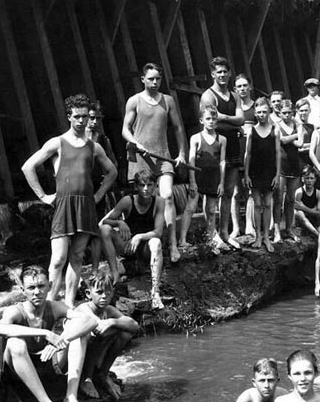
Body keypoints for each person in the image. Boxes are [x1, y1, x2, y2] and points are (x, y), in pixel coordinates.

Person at [22, 94, 117, 306]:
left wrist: (99, 195)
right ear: (69, 117)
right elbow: (28, 167)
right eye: (77, 116)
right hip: (64, 204)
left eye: (85, 116)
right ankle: (50, 303)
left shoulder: (94, 147)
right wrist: (43, 196)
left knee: (77, 256)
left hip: (85, 206)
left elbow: (111, 172)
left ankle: (69, 304)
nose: (82, 121)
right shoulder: (57, 143)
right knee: (57, 260)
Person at [0, 265, 98, 402]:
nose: (37, 292)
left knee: (80, 334)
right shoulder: (15, 310)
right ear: (22, 290)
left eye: (41, 286)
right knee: (15, 343)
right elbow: (0, 329)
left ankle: (70, 398)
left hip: (46, 367)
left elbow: (90, 321)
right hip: (19, 373)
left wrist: (61, 339)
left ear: (50, 286)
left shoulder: (54, 307)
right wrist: (45, 333)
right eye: (31, 288)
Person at [122, 63, 188, 264]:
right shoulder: (134, 101)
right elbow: (125, 129)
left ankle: (173, 245)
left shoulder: (167, 101)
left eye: (158, 79)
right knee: (143, 201)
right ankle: (135, 248)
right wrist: (136, 143)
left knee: (167, 196)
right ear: (143, 79)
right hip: (141, 159)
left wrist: (182, 154)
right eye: (150, 78)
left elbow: (178, 128)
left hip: (163, 158)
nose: (154, 82)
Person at [98, 170, 167, 310]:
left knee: (156, 242)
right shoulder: (127, 201)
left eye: (149, 185)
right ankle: (115, 273)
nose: (146, 189)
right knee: (104, 230)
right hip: (127, 246)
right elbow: (105, 221)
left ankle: (155, 291)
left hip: (146, 249)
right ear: (136, 186)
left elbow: (158, 232)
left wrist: (139, 236)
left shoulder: (159, 202)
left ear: (155, 186)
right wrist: (119, 223)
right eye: (142, 185)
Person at [200, 57, 245, 249]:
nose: (222, 75)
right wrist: (232, 120)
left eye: (225, 71)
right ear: (212, 74)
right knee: (211, 192)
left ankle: (224, 232)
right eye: (218, 72)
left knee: (228, 191)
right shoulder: (208, 96)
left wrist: (225, 117)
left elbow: (241, 119)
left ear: (229, 73)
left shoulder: (234, 95)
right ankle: (211, 234)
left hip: (232, 144)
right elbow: (209, 122)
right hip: (214, 146)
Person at [76, 268, 140, 401]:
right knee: (105, 333)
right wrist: (113, 325)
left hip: (94, 357)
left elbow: (134, 326)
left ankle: (103, 374)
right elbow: (99, 328)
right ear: (88, 294)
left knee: (125, 334)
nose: (104, 296)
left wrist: (112, 321)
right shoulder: (84, 309)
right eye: (99, 292)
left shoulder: (108, 310)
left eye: (108, 292)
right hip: (76, 360)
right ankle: (86, 379)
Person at [182, 105, 227, 251]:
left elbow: (222, 161)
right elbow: (191, 160)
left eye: (214, 119)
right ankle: (182, 239)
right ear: (202, 120)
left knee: (211, 209)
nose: (211, 121)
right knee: (191, 207)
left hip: (213, 178)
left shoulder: (222, 140)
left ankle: (211, 237)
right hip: (199, 177)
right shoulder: (196, 138)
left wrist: (221, 182)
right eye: (208, 119)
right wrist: (192, 181)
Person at [87, 103, 121, 281]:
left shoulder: (102, 140)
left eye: (97, 118)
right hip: (80, 190)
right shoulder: (75, 139)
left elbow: (114, 164)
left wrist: (103, 186)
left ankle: (94, 269)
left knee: (97, 231)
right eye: (91, 117)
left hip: (97, 189)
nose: (93, 122)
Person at [244, 97, 281, 251]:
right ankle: (258, 235)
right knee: (257, 203)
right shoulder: (251, 131)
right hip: (255, 171)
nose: (261, 115)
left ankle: (266, 236)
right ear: (255, 113)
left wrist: (278, 174)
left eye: (264, 112)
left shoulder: (275, 130)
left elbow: (278, 153)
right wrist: (245, 174)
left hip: (270, 171)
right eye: (258, 112)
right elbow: (248, 154)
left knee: (267, 203)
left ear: (269, 112)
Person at [273, 98, 303, 243]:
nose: (287, 115)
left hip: (294, 164)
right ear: (279, 113)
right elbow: (282, 140)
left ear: (293, 112)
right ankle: (277, 229)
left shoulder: (297, 125)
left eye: (289, 113)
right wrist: (297, 135)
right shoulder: (276, 125)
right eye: (284, 113)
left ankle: (289, 229)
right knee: (278, 198)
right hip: (281, 165)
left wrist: (295, 136)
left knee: (290, 199)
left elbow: (301, 143)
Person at [234, 74, 258, 239]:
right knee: (235, 192)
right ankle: (236, 228)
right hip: (235, 152)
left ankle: (249, 225)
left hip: (252, 153)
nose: (242, 89)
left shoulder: (256, 107)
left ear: (250, 87)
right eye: (239, 87)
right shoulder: (233, 107)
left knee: (250, 191)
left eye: (244, 85)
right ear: (235, 89)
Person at [293, 164, 320, 238]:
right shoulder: (299, 192)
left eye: (311, 178)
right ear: (302, 179)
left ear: (315, 179)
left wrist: (304, 207)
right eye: (307, 178)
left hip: (314, 219)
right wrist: (313, 211)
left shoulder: (319, 193)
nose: (309, 181)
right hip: (303, 220)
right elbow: (297, 213)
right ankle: (317, 235)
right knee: (300, 214)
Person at [295, 98, 315, 170]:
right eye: (301, 111)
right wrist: (312, 144)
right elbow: (299, 147)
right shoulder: (295, 126)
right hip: (300, 160)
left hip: (312, 159)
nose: (304, 113)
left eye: (306, 110)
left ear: (310, 111)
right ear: (297, 111)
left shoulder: (312, 127)